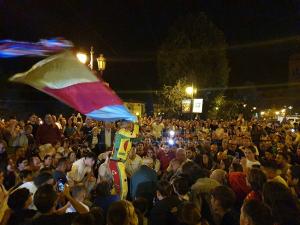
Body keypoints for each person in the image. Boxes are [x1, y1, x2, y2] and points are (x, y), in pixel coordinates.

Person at [109, 120, 139, 199]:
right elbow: (135, 135)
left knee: (117, 186)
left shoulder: (125, 134)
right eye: (129, 123)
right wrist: (136, 124)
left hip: (119, 163)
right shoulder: (122, 131)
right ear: (122, 124)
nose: (131, 125)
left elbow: (137, 138)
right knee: (122, 186)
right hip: (116, 163)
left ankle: (115, 203)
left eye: (131, 123)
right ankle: (122, 205)